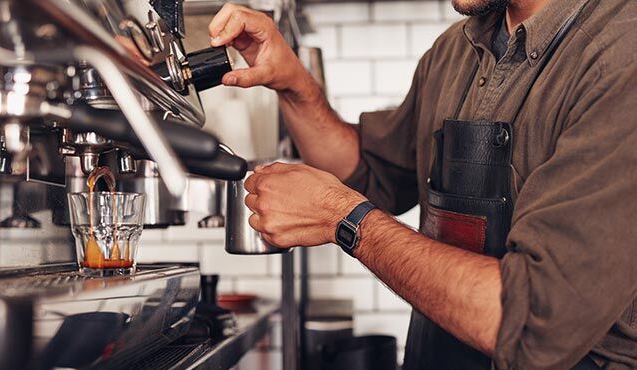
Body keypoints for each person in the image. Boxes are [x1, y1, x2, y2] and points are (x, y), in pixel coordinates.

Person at [208, 0, 637, 368]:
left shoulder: (621, 57)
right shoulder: (457, 49)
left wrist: (345, 219)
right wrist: (293, 83)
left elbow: (538, 322)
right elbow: (370, 172)